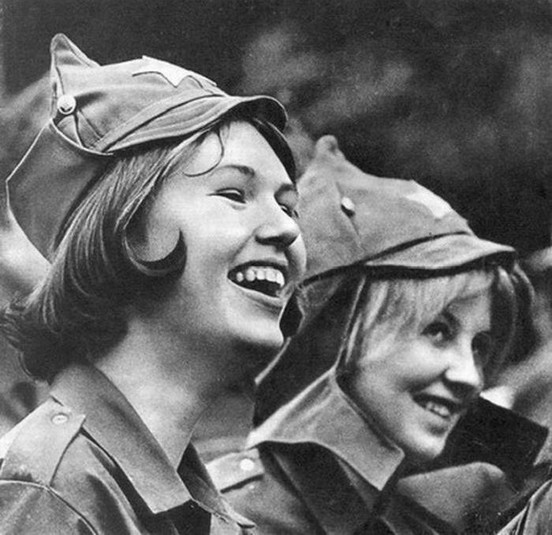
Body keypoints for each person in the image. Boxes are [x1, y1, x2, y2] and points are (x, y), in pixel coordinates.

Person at [0, 33, 306, 534]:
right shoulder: (50, 495)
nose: (287, 229)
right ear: (124, 231)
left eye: (289, 207)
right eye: (235, 193)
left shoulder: (209, 518)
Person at [208, 136, 537, 534]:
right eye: (437, 330)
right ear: (338, 335)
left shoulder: (418, 520)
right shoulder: (234, 519)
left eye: (479, 346)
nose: (470, 376)